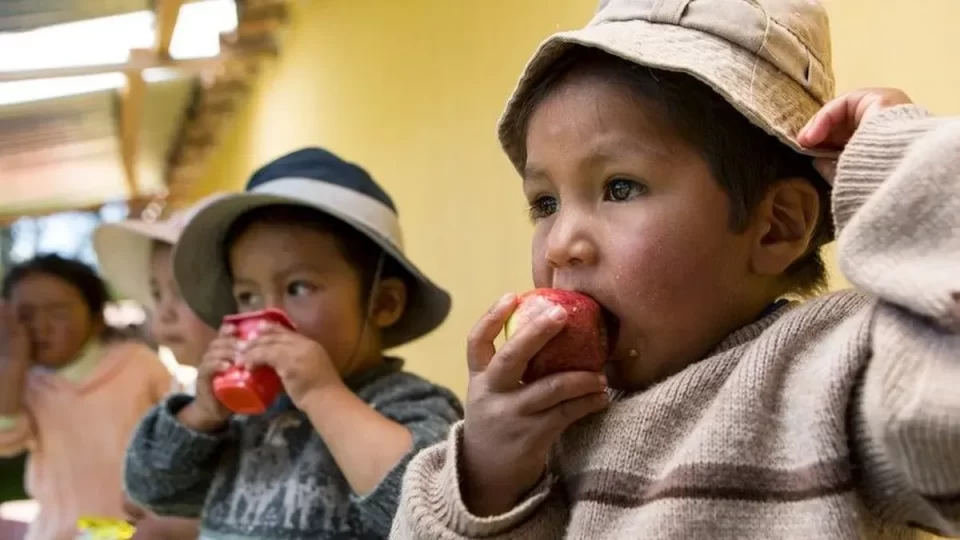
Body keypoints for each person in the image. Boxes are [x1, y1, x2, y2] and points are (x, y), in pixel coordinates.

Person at [390, 1, 960, 538]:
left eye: (619, 187)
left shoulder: (837, 371)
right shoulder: (549, 424)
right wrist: (489, 478)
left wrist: (907, 170)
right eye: (545, 203)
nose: (561, 244)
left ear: (775, 227)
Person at [124, 147, 464, 539]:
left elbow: (428, 515)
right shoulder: (242, 419)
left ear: (383, 303)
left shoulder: (408, 405)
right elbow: (152, 488)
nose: (267, 319)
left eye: (298, 288)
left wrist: (321, 392)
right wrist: (201, 413)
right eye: (248, 296)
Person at [0, 254, 174, 540]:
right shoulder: (25, 383)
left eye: (58, 312)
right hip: (57, 533)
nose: (40, 326)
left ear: (95, 318)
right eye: (26, 315)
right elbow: (6, 441)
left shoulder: (138, 364)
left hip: (135, 532)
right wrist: (12, 363)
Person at [95, 205, 220, 539]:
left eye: (184, 293)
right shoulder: (195, 398)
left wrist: (171, 526)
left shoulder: (264, 410)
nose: (163, 313)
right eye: (156, 293)